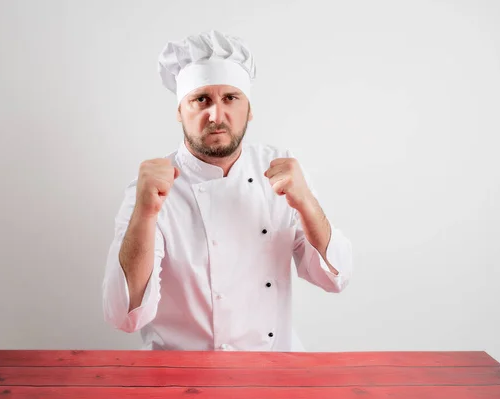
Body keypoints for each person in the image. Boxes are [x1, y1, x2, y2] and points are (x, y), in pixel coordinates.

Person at [102, 30, 352, 351]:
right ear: (180, 110)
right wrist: (145, 213)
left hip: (274, 370)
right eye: (200, 99)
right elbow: (123, 316)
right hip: (179, 376)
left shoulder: (283, 171)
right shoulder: (149, 189)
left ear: (249, 109)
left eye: (230, 98)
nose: (216, 115)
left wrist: (306, 203)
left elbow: (336, 277)